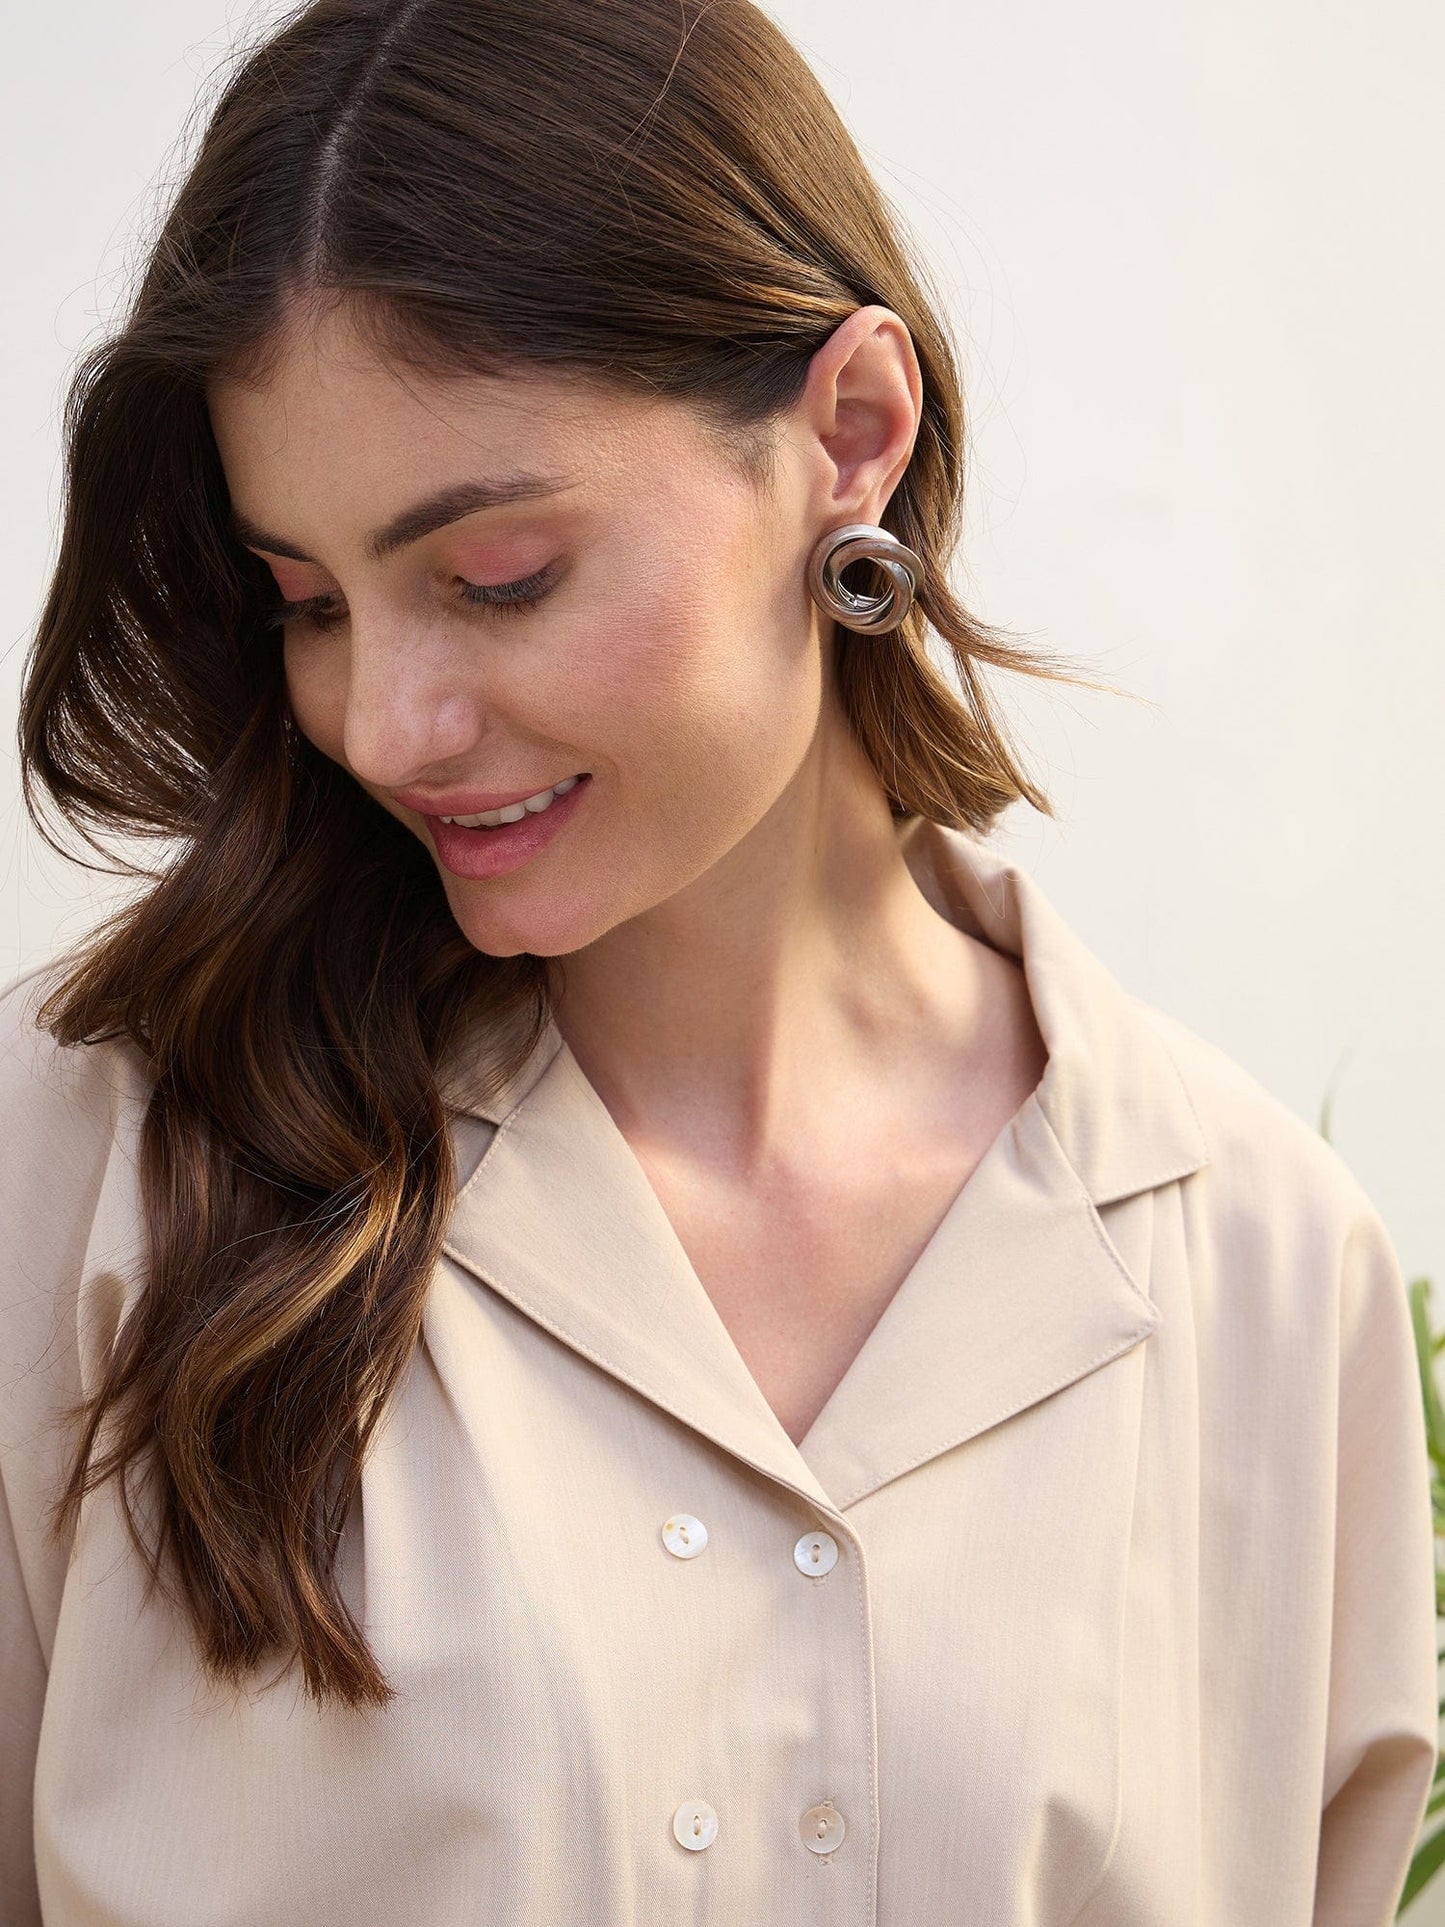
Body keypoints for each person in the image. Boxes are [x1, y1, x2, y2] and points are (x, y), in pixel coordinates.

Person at [0, 0, 1436, 1921]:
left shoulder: (1261, 1270)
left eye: (497, 576)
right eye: (308, 603)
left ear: (850, 435)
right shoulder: (82, 1173)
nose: (386, 721)